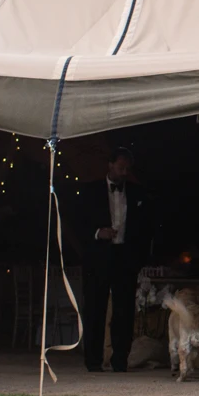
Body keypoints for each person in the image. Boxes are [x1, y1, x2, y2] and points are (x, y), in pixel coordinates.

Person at [77, 146, 150, 373]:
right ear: (110, 165)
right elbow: (79, 223)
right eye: (120, 168)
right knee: (95, 309)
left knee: (124, 311)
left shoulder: (137, 193)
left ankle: (120, 360)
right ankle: (93, 360)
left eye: (127, 169)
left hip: (124, 258)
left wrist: (138, 257)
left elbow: (143, 229)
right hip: (99, 257)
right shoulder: (91, 191)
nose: (124, 172)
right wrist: (99, 232)